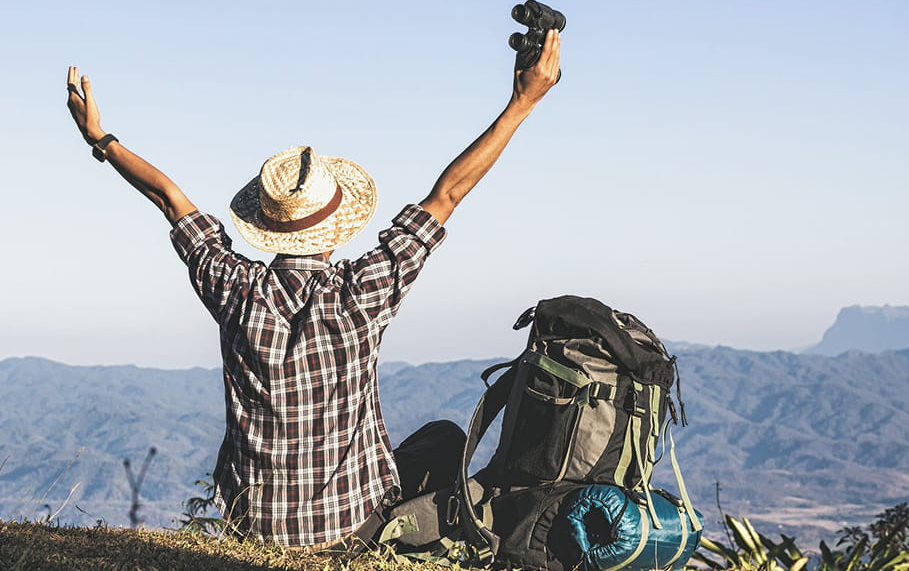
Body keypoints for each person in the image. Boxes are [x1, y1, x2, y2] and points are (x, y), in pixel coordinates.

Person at [63, 29, 562, 548]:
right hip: (352, 528)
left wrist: (99, 138)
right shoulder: (363, 291)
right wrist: (522, 101)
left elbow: (168, 198)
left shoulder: (232, 286)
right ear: (337, 224)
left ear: (269, 225)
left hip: (252, 527)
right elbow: (449, 193)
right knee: (444, 439)